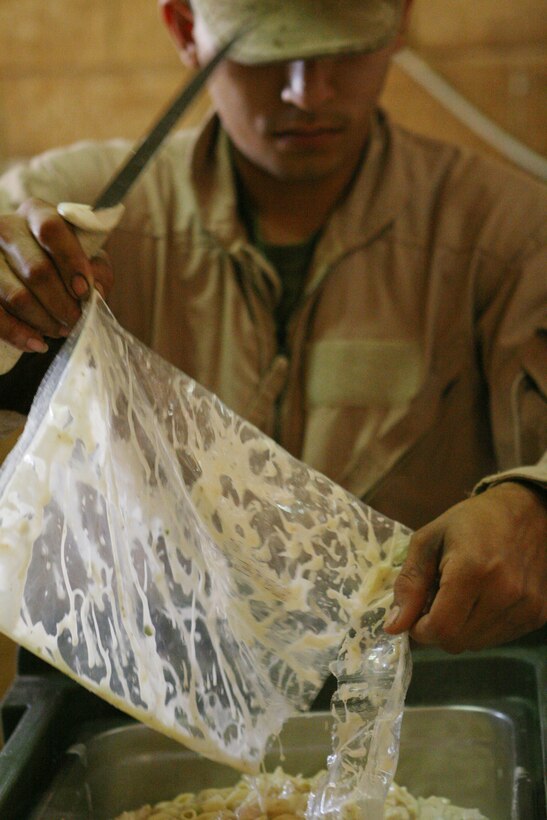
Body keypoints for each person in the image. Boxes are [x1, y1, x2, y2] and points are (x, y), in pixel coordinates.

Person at [0, 0, 545, 655]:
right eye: (262, 52)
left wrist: (533, 504)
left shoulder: (509, 234)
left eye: (340, 48)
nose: (305, 92)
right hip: (134, 693)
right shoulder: (77, 209)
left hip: (417, 689)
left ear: (398, 21)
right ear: (184, 30)